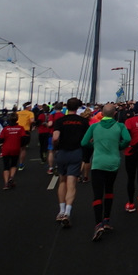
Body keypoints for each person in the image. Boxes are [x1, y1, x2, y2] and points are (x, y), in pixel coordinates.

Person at [81, 103, 131, 241]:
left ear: (101, 113)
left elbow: (84, 142)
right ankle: (107, 220)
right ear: (115, 113)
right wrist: (119, 146)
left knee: (97, 194)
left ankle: (98, 224)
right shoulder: (120, 126)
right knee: (109, 190)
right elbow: (127, 139)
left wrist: (95, 145)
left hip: (98, 162)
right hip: (113, 162)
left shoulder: (94, 126)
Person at [53, 97, 89, 227]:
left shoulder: (60, 121)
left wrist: (56, 146)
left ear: (66, 107)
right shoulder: (83, 121)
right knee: (71, 182)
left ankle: (61, 210)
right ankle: (68, 212)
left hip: (62, 152)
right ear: (78, 107)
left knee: (62, 181)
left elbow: (55, 137)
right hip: (76, 152)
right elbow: (87, 139)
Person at [0, 112, 26, 189]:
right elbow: (23, 138)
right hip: (15, 148)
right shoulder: (20, 128)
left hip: (6, 149)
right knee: (13, 164)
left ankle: (6, 183)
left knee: (6, 167)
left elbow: (1, 139)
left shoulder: (5, 129)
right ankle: (11, 177)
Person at [16, 104, 35, 171]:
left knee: (16, 147)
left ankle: (13, 163)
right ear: (28, 107)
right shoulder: (30, 113)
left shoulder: (18, 113)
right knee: (23, 148)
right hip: (25, 131)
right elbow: (32, 121)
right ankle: (21, 164)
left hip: (16, 130)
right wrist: (33, 126)